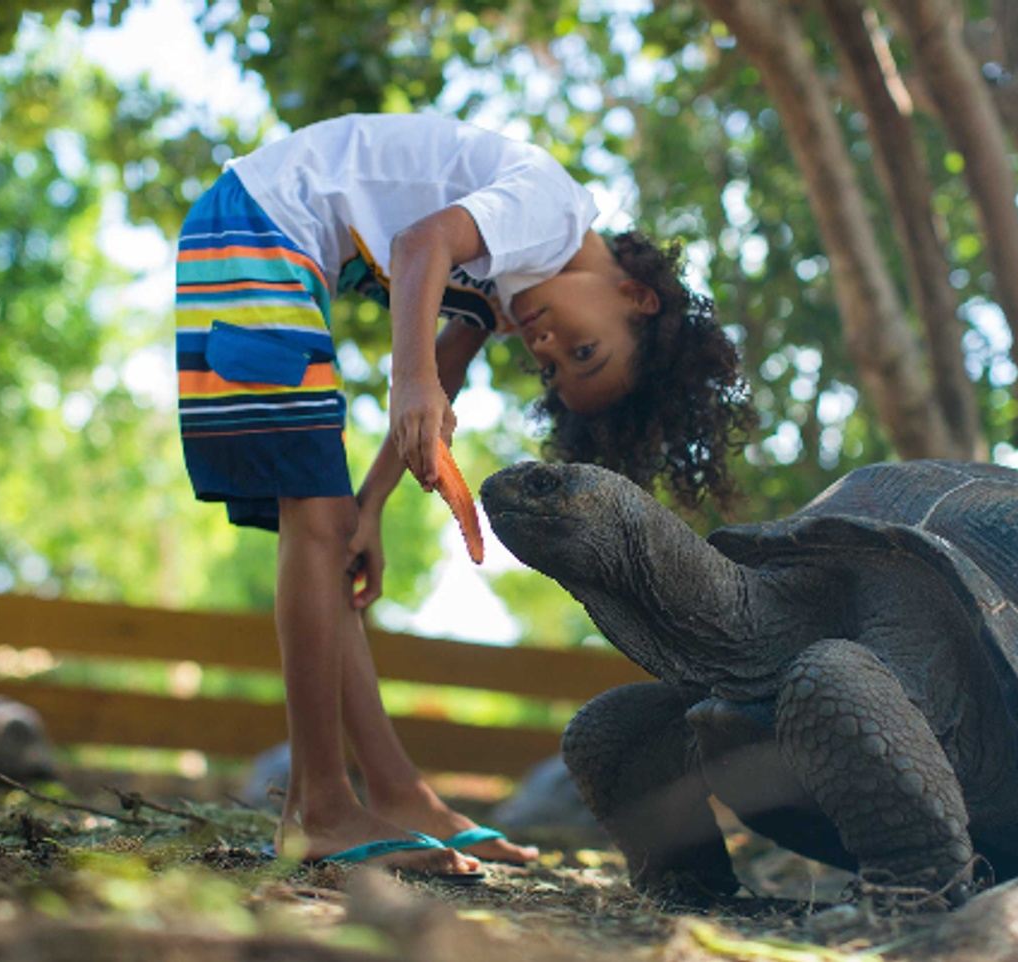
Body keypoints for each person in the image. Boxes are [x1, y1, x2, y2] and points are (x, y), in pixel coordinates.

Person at [174, 113, 753, 877]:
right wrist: (406, 379)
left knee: (328, 531)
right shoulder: (551, 209)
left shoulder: (518, 282)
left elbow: (444, 369)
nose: (546, 350)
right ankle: (317, 808)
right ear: (636, 296)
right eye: (583, 351)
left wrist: (373, 507)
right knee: (313, 525)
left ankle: (396, 792)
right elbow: (420, 247)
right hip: (258, 227)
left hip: (268, 238)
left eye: (554, 370)